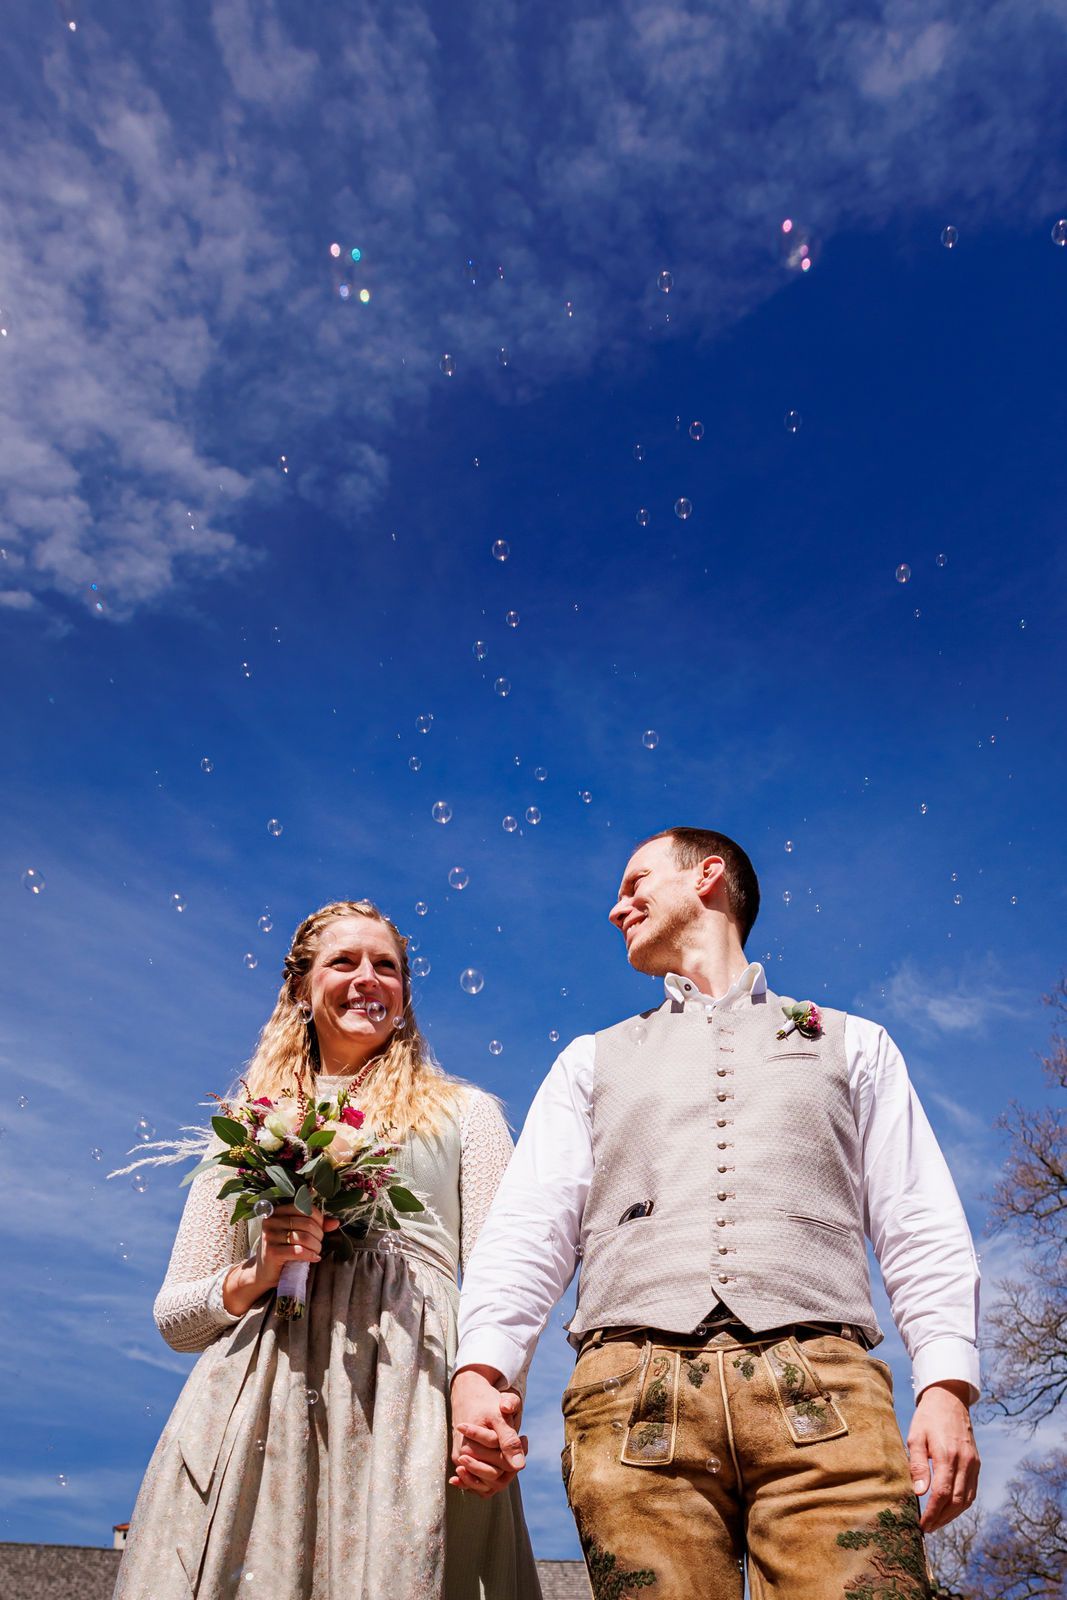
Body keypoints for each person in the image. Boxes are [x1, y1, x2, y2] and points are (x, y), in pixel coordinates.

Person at [450, 828, 981, 1600]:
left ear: (707, 877)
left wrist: (945, 1385)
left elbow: (918, 1219)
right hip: (632, 1399)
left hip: (828, 1392)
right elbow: (528, 1230)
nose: (614, 907)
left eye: (635, 882)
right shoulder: (588, 1061)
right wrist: (480, 1371)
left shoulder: (855, 1044)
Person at [115, 898, 541, 1600]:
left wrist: (494, 1410)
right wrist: (258, 1269)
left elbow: (509, 1280)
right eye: (343, 962)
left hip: (412, 1394)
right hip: (261, 1408)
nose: (367, 978)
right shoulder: (244, 1128)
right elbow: (175, 1319)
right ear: (298, 989)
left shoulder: (468, 1113)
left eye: (387, 967)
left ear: (404, 995)